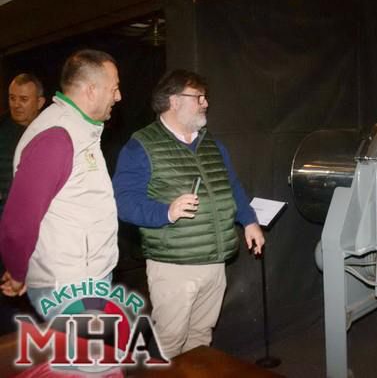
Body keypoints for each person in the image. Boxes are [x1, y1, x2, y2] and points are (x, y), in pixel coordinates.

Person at [112, 69, 265, 359]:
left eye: (205, 97)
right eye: (199, 97)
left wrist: (249, 221)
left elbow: (232, 186)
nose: (206, 103)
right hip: (174, 266)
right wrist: (166, 212)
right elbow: (124, 201)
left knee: (200, 338)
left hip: (214, 262)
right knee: (169, 342)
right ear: (174, 101)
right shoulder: (141, 146)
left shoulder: (212, 143)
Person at [0, 49, 122, 318]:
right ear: (91, 90)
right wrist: (18, 271)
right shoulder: (56, 137)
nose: (118, 96)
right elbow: (19, 220)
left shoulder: (79, 130)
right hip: (70, 285)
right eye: (114, 88)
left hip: (84, 278)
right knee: (89, 348)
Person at [0, 73, 45, 215]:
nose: (16, 105)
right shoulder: (2, 128)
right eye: (12, 98)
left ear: (39, 102)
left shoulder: (51, 132)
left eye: (23, 99)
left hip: (40, 214)